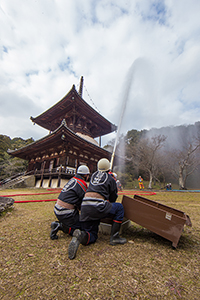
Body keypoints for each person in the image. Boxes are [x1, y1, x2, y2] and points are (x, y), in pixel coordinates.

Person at [68, 158, 127, 260]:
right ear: (109, 168)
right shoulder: (110, 179)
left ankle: (81, 235)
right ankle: (115, 237)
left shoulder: (93, 176)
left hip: (85, 208)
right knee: (119, 208)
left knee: (92, 235)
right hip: (98, 206)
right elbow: (113, 198)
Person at [50, 165, 90, 240]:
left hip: (57, 209)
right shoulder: (81, 183)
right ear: (85, 175)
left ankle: (62, 223)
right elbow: (85, 199)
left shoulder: (72, 180)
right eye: (88, 175)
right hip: (66, 213)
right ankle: (60, 226)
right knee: (79, 228)